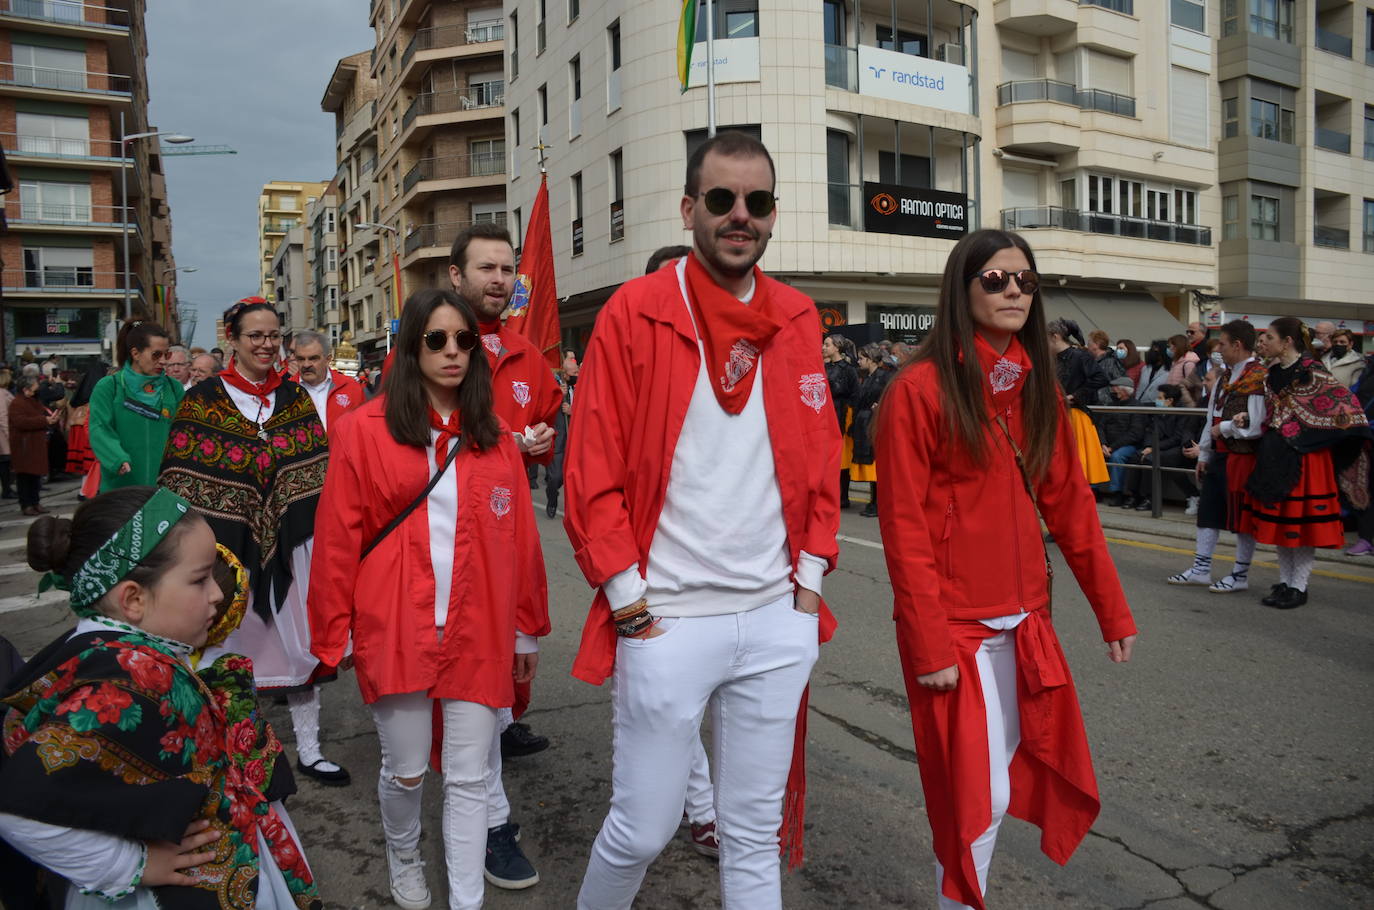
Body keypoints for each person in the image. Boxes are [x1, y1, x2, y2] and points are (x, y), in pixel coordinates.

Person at [564, 130, 840, 910]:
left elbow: (821, 457)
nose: (739, 216)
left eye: (755, 202)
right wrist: (629, 603)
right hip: (668, 620)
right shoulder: (635, 311)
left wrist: (809, 585)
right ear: (691, 208)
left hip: (775, 618)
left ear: (774, 214)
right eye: (722, 200)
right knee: (641, 830)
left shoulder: (796, 315)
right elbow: (593, 470)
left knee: (752, 836)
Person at [875, 229, 1136, 910]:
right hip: (953, 630)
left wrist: (1112, 610)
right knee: (977, 795)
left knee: (995, 787)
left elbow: (1072, 508)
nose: (1013, 290)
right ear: (962, 291)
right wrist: (929, 640)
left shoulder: (1033, 384)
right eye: (994, 280)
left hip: (1026, 622)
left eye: (1024, 279)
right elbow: (902, 528)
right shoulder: (918, 389)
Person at [309, 289, 550, 910]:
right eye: (435, 339)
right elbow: (338, 537)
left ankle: (466, 900)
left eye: (464, 340)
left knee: (470, 777)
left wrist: (525, 630)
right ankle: (404, 851)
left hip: (478, 629)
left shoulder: (494, 437)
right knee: (407, 770)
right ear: (411, 346)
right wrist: (333, 632)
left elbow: (522, 540)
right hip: (395, 624)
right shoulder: (362, 430)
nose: (451, 352)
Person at [0, 486, 321, 909]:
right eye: (200, 579)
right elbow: (16, 809)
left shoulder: (130, 649)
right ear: (132, 598)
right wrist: (128, 865)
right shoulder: (127, 679)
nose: (218, 593)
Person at [159, 298, 349, 786]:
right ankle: (237, 752)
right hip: (225, 546)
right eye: (255, 337)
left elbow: (315, 472)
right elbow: (182, 476)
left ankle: (309, 749)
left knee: (300, 646)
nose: (267, 345)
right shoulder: (202, 399)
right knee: (228, 647)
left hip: (292, 544)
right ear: (232, 339)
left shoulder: (294, 400)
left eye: (273, 336)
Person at [446, 222, 561, 886]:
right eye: (484, 267)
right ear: (456, 276)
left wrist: (536, 441)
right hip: (449, 557)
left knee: (503, 687)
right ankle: (491, 824)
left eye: (506, 269)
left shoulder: (528, 357)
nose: (498, 278)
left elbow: (541, 441)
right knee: (472, 695)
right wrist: (498, 448)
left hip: (513, 552)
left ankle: (490, 752)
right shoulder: (431, 350)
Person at [639, 242, 722, 858]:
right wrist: (623, 593)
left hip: (737, 585)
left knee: (722, 715)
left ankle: (722, 810)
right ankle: (695, 810)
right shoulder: (631, 371)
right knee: (676, 716)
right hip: (658, 585)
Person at [1238, 318, 1372, 608]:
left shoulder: (1313, 372)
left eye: (1270, 337)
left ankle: (1299, 585)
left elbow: (1347, 408)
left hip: (1307, 457)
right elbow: (1273, 414)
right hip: (1276, 453)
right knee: (1281, 523)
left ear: (1287, 341)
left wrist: (1303, 433)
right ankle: (1286, 581)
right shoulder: (1272, 373)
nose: (1265, 342)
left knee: (1301, 525)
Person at [1168, 320, 1266, 594]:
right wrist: (1205, 453)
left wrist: (1223, 429)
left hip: (1243, 456)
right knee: (1209, 511)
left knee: (1241, 517)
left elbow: (1257, 424)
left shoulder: (1258, 376)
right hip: (1221, 454)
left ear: (1237, 345)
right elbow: (1211, 414)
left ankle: (1240, 573)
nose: (1219, 348)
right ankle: (1201, 568)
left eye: (1223, 343)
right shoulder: (1224, 376)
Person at [89, 321, 183, 493]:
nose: (163, 362)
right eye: (156, 355)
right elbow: (99, 428)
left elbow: (185, 431)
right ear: (135, 353)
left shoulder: (174, 388)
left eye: (166, 355)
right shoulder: (110, 386)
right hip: (121, 485)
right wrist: (116, 458)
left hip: (166, 487)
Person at [1047, 318, 1110, 486]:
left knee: (1075, 470)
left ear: (1055, 337)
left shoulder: (1080, 355)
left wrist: (1074, 395)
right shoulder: (1055, 358)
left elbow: (1102, 378)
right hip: (1059, 414)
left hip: (1074, 415)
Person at [1123, 383, 1203, 512]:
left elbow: (1177, 437)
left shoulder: (1182, 413)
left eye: (1160, 398)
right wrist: (1149, 446)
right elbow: (1149, 430)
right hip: (1155, 445)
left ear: (1170, 400)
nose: (1157, 400)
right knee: (1136, 457)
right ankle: (1134, 495)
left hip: (1172, 447)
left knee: (1150, 459)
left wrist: (1154, 448)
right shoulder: (1157, 412)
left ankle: (1149, 498)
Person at [290, 330, 365, 432]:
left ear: (328, 359)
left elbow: (363, 430)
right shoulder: (286, 390)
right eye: (301, 359)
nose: (306, 365)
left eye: (313, 358)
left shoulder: (351, 388)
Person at [850, 342, 892, 518]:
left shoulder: (884, 376)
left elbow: (891, 395)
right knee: (870, 462)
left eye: (861, 358)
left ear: (871, 359)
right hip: (866, 422)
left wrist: (881, 405)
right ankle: (874, 500)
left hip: (875, 422)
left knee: (875, 462)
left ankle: (877, 501)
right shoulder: (868, 377)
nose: (859, 361)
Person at [8, 374, 56, 515]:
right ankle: (26, 504)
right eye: (35, 385)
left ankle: (35, 502)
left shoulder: (32, 401)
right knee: (24, 477)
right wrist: (44, 420)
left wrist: (50, 419)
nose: (37, 388)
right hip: (24, 446)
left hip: (34, 444)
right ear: (26, 389)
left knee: (35, 477)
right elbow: (21, 422)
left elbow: (40, 415)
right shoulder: (17, 403)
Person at [1097, 377, 1147, 506]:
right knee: (1092, 453)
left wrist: (1112, 447)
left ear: (1124, 390)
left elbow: (1135, 434)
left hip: (1128, 445)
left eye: (1116, 387)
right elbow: (1100, 426)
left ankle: (1117, 493)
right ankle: (1093, 489)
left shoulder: (1137, 407)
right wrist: (1103, 443)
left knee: (1117, 457)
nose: (1113, 390)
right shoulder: (1111, 405)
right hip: (1108, 444)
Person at [824, 333, 859, 509]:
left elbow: (855, 394)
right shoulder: (823, 367)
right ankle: (830, 493)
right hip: (827, 413)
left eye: (827, 344)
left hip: (843, 414)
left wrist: (852, 420)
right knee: (828, 457)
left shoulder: (848, 369)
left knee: (842, 458)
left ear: (837, 347)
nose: (824, 347)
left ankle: (843, 495)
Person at [1086, 330, 1125, 404]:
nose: (1087, 345)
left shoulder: (1111, 361)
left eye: (1089, 342)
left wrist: (1109, 396)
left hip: (1106, 406)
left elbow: (1120, 383)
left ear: (1096, 344)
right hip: (1096, 404)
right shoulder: (1093, 362)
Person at [1135, 339, 1171, 404]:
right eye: (1153, 350)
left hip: (1157, 405)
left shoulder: (1170, 370)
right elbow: (1140, 388)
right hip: (1141, 404)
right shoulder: (1145, 368)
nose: (1155, 353)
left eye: (1157, 351)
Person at [0, 368, 13, 499]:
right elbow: (3, 416)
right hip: (3, 435)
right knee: (4, 463)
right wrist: (9, 435)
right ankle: (6, 489)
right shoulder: (2, 394)